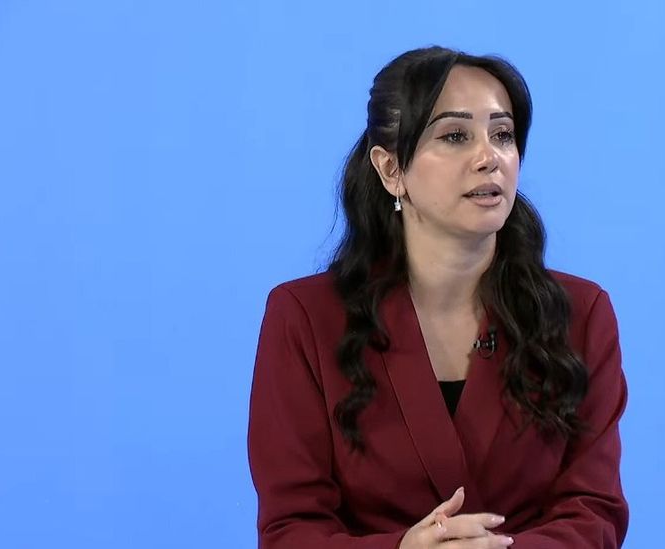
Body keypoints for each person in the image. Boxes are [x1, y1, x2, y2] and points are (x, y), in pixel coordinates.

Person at [247, 46, 629, 549]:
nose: (489, 158)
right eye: (454, 136)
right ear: (391, 169)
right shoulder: (305, 318)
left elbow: (594, 513)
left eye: (502, 134)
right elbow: (291, 531)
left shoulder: (580, 314)